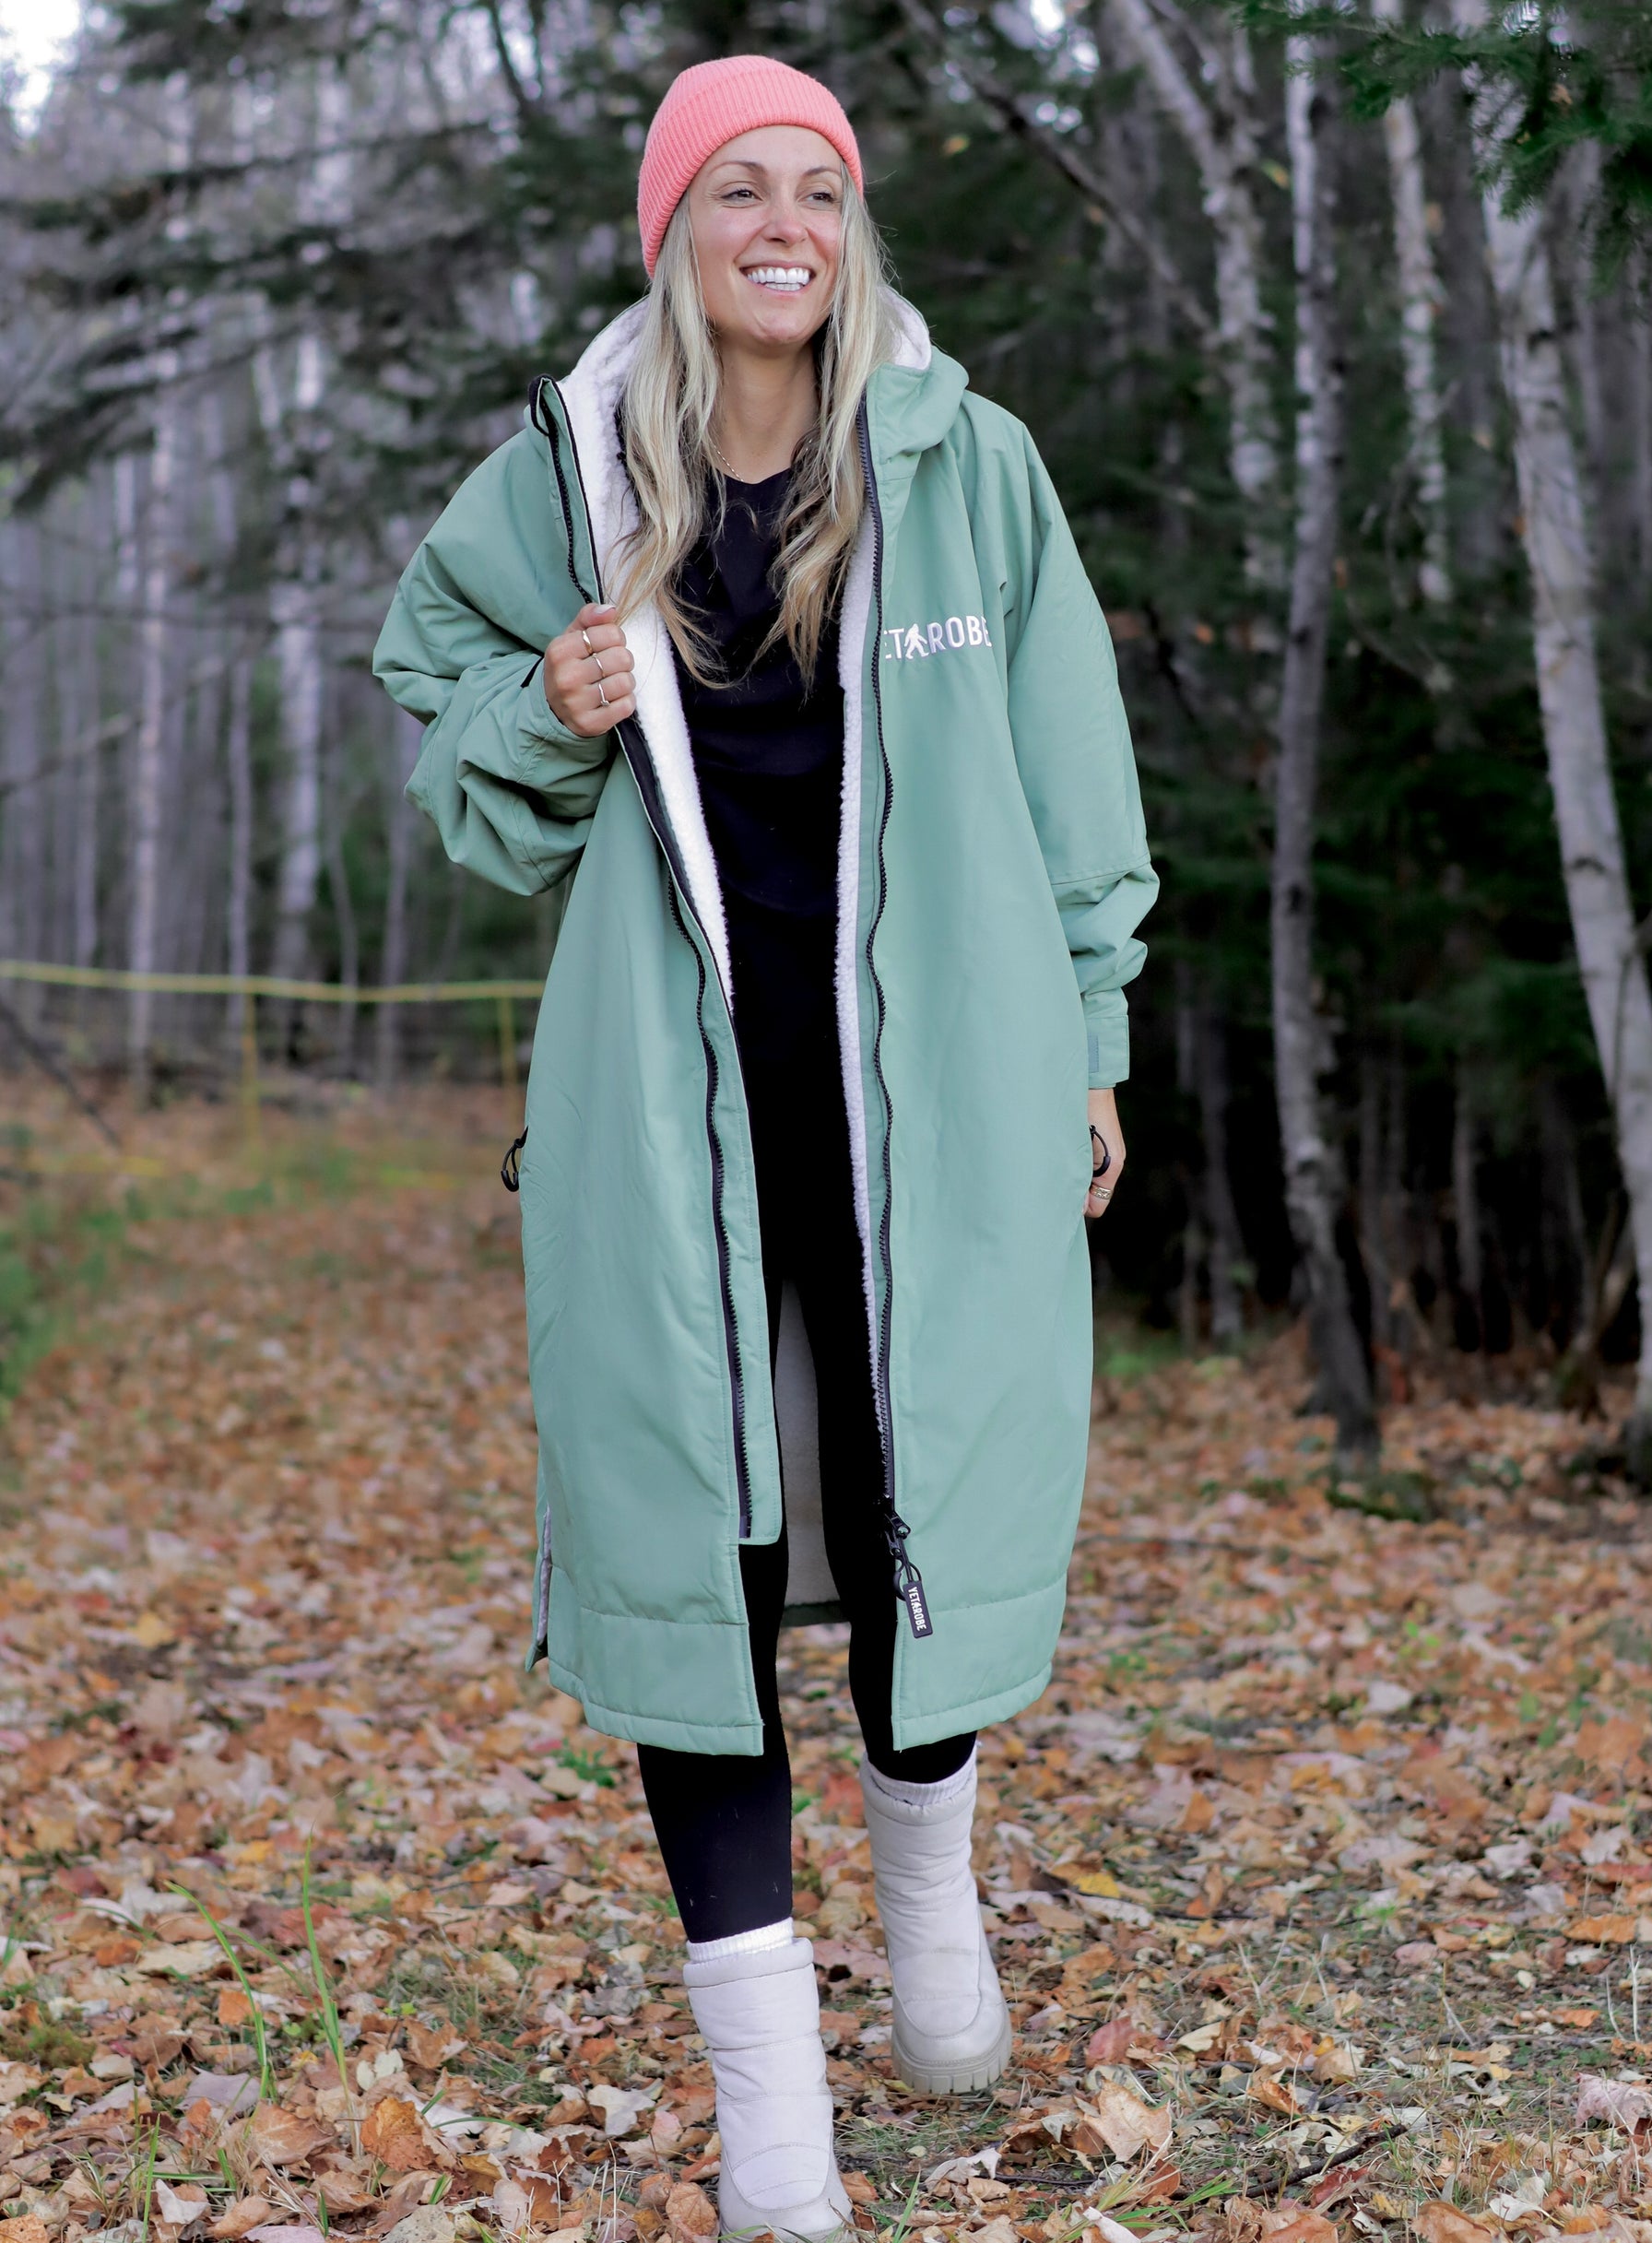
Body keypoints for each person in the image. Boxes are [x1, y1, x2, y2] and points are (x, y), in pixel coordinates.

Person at [374, 53, 1155, 2240]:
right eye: (739, 189)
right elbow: (444, 736)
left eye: (818, 184)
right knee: (688, 1579)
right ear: (674, 231)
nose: (784, 221)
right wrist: (543, 706)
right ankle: (773, 2130)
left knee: (926, 1505)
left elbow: (1070, 767)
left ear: (853, 226)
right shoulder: (564, 467)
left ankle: (929, 1908)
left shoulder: (960, 462)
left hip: (946, 1098)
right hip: (667, 1117)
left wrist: (1093, 1028)